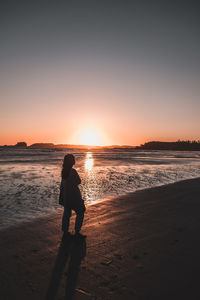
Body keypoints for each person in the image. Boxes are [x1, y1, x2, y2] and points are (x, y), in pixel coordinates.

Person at [59, 154, 86, 237]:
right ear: (72, 162)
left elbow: (62, 186)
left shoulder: (63, 171)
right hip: (75, 195)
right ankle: (77, 231)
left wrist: (62, 197)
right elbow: (79, 181)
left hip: (66, 196)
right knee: (81, 211)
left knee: (67, 213)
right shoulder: (73, 171)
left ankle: (65, 230)